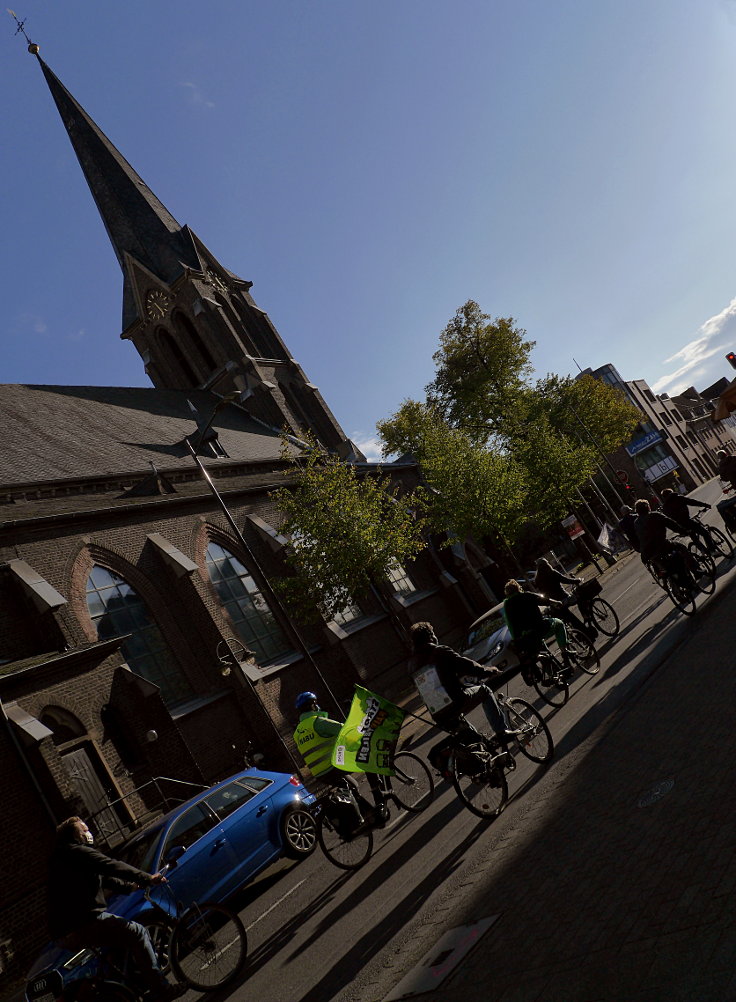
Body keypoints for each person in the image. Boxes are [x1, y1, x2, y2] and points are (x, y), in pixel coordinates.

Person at [47, 817, 184, 1002]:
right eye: (83, 830)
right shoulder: (77, 852)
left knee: (116, 946)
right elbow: (110, 865)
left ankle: (126, 990)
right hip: (82, 923)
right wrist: (147, 878)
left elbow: (103, 877)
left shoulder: (65, 858)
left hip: (68, 929)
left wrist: (131, 886)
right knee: (138, 933)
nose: (89, 833)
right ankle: (162, 991)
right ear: (74, 836)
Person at [408, 621, 517, 770]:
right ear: (430, 637)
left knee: (466, 731)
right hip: (457, 700)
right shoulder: (440, 652)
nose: (435, 637)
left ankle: (488, 758)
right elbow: (467, 666)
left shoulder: (412, 665)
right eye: (433, 634)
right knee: (484, 690)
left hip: (438, 713)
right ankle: (501, 731)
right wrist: (489, 670)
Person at [293, 692, 390, 825]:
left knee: (352, 787)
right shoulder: (318, 722)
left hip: (320, 773)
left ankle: (369, 816)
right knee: (367, 759)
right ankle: (379, 800)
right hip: (333, 766)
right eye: (315, 703)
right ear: (313, 705)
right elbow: (345, 731)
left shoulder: (297, 732)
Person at [502, 578, 573, 676]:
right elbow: (544, 600)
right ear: (518, 588)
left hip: (526, 636)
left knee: (540, 651)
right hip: (540, 627)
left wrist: (517, 638)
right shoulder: (526, 595)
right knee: (559, 624)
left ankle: (553, 676)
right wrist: (556, 602)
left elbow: (511, 625)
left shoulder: (507, 605)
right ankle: (565, 653)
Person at [532, 557, 596, 641]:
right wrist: (577, 580)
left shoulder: (537, 580)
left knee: (571, 619)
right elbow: (566, 580)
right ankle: (585, 616)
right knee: (580, 598)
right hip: (565, 598)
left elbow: (542, 593)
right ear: (547, 564)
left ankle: (584, 635)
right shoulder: (552, 572)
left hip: (555, 604)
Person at [633, 498, 691, 575]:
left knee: (658, 563)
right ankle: (696, 570)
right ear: (648, 507)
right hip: (660, 545)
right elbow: (671, 524)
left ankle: (664, 576)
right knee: (681, 548)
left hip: (646, 551)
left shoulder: (636, 522)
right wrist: (683, 531)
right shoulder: (655, 515)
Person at [660, 487, 713, 553]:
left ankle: (703, 551)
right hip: (687, 521)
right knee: (705, 533)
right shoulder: (678, 498)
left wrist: (678, 530)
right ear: (671, 492)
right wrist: (705, 505)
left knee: (693, 537)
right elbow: (692, 502)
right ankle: (712, 551)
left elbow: (668, 520)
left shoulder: (664, 507)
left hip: (679, 526)